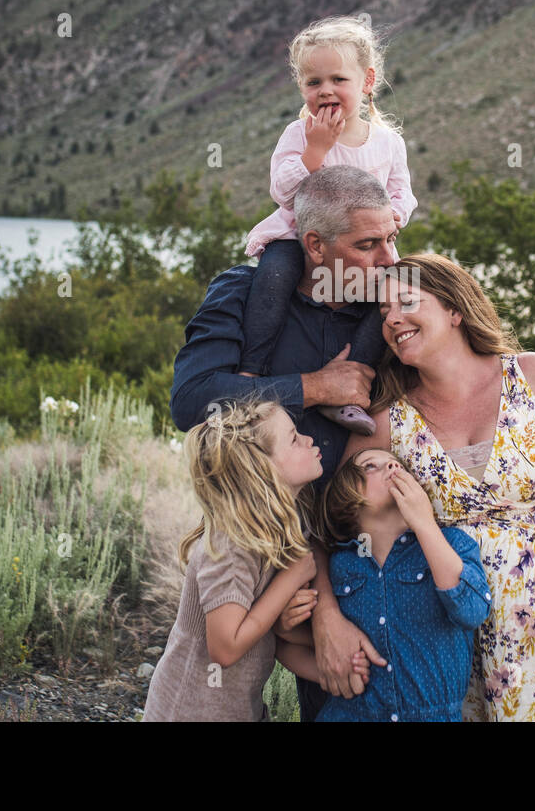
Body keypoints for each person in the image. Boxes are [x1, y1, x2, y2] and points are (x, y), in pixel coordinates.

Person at [335, 253, 535, 721]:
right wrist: (326, 620)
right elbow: (329, 524)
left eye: (407, 302)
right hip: (447, 633)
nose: (392, 319)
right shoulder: (385, 422)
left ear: (456, 310)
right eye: (383, 312)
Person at [169, 165, 400, 720]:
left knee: (356, 693)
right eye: (369, 245)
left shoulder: (392, 312)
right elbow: (192, 400)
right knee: (223, 689)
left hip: (359, 542)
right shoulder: (245, 294)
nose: (389, 259)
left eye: (392, 239)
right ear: (314, 245)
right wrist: (316, 387)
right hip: (261, 539)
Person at [239, 16, 416, 437]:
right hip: (297, 235)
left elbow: (404, 193)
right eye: (313, 82)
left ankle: (355, 382)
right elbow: (282, 192)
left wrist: (395, 215)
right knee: (274, 275)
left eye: (339, 78)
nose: (325, 90)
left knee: (398, 291)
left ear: (367, 81)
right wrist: (315, 150)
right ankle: (251, 374)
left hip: (363, 245)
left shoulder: (387, 142)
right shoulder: (299, 134)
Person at [142, 397, 367, 721]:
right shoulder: (230, 545)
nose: (308, 440)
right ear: (263, 471)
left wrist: (338, 671)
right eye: (293, 438)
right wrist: (292, 577)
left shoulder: (280, 532)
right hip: (189, 712)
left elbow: (272, 637)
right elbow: (226, 647)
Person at [299, 448, 490, 721]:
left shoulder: (451, 543)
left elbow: (471, 610)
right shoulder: (339, 565)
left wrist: (424, 523)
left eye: (395, 464)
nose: (390, 465)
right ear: (346, 500)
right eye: (370, 466)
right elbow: (300, 642)